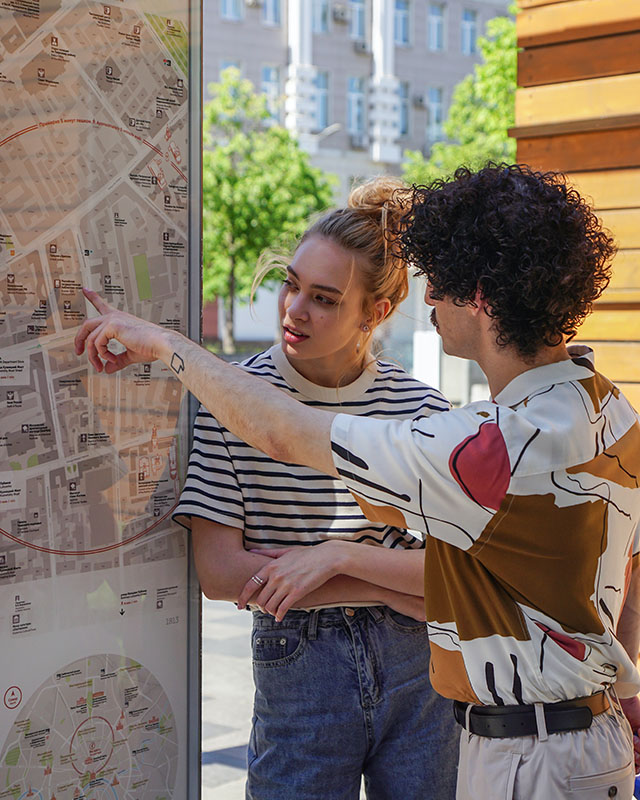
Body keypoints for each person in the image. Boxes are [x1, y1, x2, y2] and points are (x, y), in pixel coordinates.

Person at [75, 164, 640, 799]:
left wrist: (162, 344)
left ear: (478, 296)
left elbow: (289, 434)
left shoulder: (476, 447)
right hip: (589, 736)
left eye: (441, 286)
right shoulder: (614, 413)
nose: (430, 301)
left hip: (524, 755)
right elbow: (629, 569)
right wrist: (625, 685)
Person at [173, 178, 459, 798]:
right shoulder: (233, 400)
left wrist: (322, 566)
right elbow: (220, 571)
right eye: (291, 283)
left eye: (325, 298)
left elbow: (457, 576)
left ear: (375, 313)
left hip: (421, 668)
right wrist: (390, 579)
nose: (294, 309)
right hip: (298, 660)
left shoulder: (424, 410)